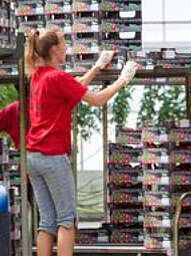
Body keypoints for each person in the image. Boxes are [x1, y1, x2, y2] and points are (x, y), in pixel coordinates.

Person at [25, 27, 137, 256]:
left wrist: (97, 67)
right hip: (52, 156)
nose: (66, 48)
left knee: (46, 221)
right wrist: (122, 80)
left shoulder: (40, 75)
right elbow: (96, 100)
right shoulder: (56, 77)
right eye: (64, 44)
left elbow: (75, 87)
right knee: (67, 220)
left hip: (33, 156)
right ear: (55, 49)